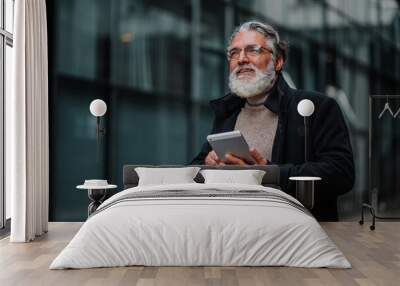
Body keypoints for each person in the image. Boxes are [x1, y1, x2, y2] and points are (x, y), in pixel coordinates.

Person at [191, 21, 355, 221]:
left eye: (253, 50)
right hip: (234, 230)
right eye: (234, 53)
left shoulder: (318, 106)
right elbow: (194, 168)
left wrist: (267, 174)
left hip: (297, 233)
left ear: (278, 61)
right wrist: (209, 165)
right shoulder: (227, 112)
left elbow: (341, 174)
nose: (241, 59)